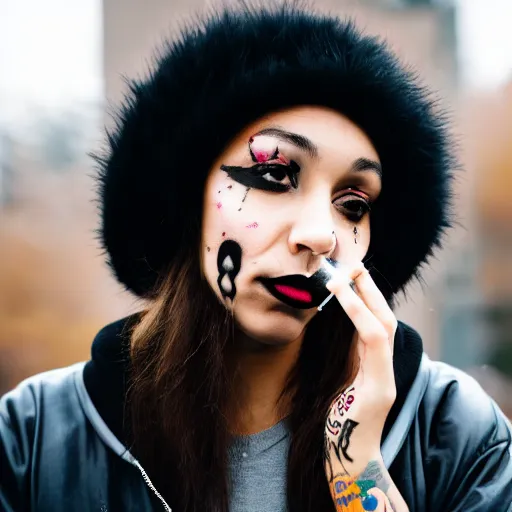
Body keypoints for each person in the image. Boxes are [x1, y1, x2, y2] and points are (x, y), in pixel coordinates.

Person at [1, 4, 511, 512]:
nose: (320, 236)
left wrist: (357, 468)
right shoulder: (31, 438)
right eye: (273, 176)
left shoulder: (461, 437)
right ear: (187, 198)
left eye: (353, 204)